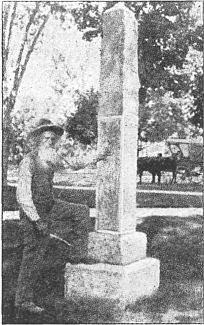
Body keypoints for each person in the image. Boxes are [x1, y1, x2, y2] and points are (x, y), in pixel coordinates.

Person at [15, 118, 109, 314]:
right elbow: (23, 196)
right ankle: (23, 300)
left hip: (50, 207)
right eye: (46, 137)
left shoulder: (52, 158)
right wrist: (37, 220)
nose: (50, 140)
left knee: (80, 211)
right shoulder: (28, 161)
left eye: (52, 138)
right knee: (33, 256)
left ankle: (77, 254)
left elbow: (73, 164)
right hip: (31, 213)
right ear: (37, 139)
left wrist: (98, 156)